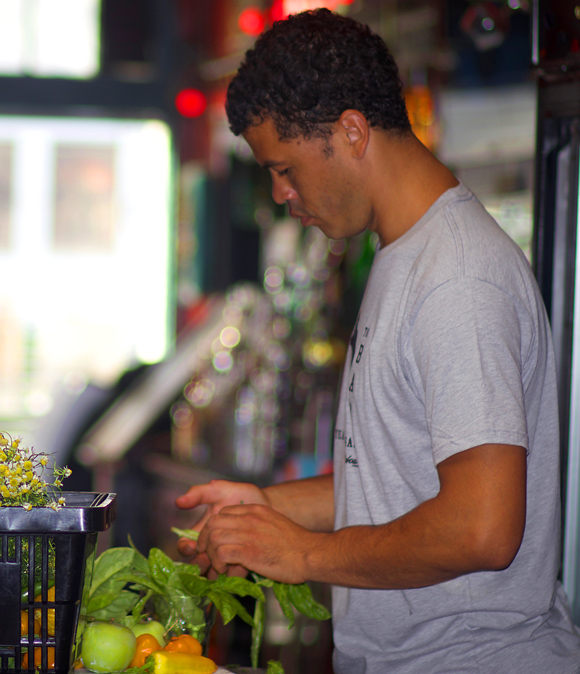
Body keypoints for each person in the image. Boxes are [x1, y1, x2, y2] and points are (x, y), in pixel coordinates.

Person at [176, 9, 580, 673]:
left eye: (284, 169)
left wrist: (302, 553)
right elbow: (399, 484)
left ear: (352, 132)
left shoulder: (456, 278)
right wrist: (268, 512)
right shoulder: (404, 255)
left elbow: (483, 527)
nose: (281, 194)